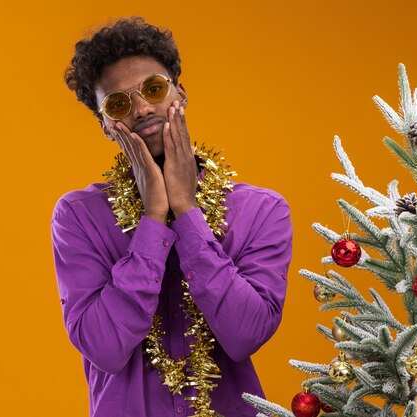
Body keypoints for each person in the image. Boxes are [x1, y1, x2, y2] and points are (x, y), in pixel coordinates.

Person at [51, 17, 293, 417]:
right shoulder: (78, 216)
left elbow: (245, 334)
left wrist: (187, 212)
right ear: (106, 126)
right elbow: (103, 347)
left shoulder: (262, 210)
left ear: (179, 92)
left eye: (154, 89)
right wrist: (152, 219)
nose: (143, 109)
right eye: (118, 103)